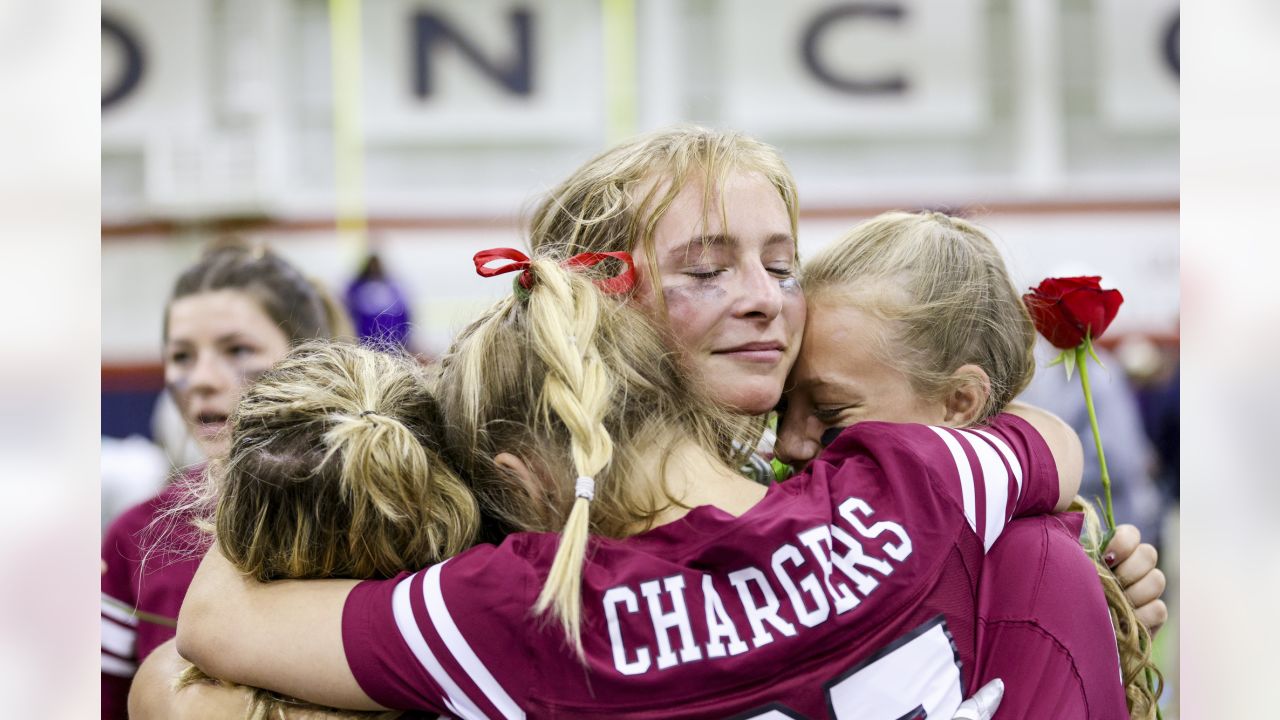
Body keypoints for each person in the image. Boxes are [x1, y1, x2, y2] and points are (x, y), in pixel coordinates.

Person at [172, 254, 1082, 718]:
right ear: (685, 399)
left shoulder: (529, 609)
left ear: (520, 478)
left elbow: (214, 627)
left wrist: (261, 452)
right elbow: (1045, 436)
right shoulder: (900, 483)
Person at [773, 211, 1162, 717]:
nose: (787, 445)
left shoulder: (1033, 569)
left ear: (959, 402)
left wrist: (1092, 623)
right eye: (779, 409)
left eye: (830, 412)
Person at [100, 240, 348, 719]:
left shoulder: (375, 514)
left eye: (236, 349)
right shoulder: (135, 538)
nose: (201, 379)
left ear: (308, 359)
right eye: (182, 355)